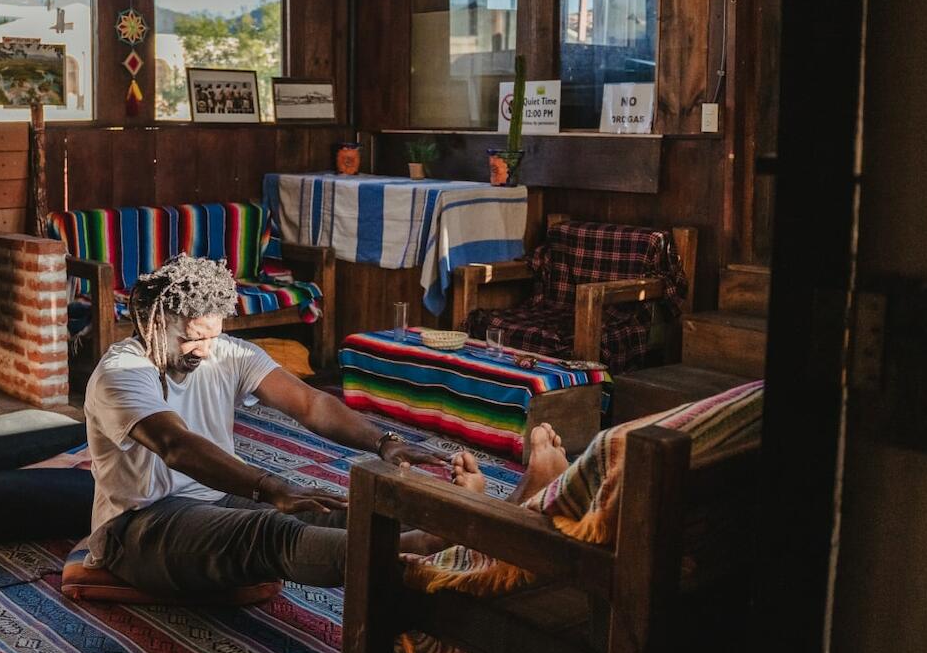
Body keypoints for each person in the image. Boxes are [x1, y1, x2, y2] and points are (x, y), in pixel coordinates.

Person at [83, 253, 569, 596]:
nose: (206, 351)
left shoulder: (226, 353)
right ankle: (425, 549)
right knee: (269, 529)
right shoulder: (123, 373)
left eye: (213, 336)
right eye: (192, 339)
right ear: (152, 324)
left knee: (329, 507)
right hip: (141, 528)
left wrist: (386, 442)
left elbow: (312, 404)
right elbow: (177, 445)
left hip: (214, 498)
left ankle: (493, 518)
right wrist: (269, 486)